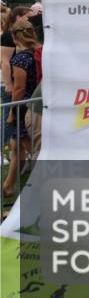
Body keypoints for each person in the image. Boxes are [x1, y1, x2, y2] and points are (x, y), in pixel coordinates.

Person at [3, 19, 40, 197]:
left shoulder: (20, 59)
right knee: (17, 146)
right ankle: (8, 186)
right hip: (35, 103)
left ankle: (36, 190)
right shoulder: (37, 53)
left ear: (14, 37)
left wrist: (11, 112)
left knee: (30, 148)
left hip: (23, 107)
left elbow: (19, 89)